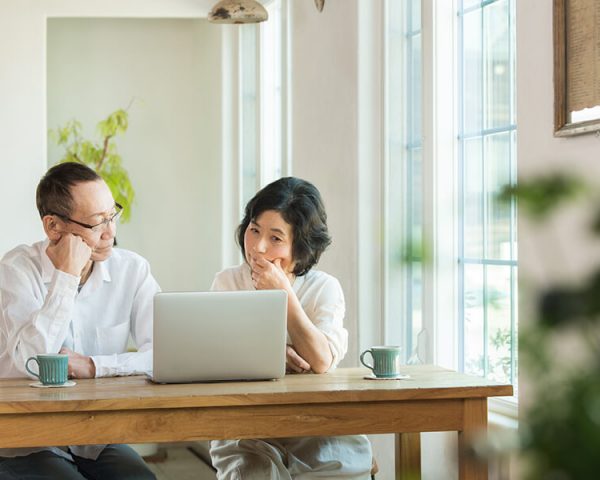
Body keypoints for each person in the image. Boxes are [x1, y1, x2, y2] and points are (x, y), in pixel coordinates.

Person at [0, 162, 159, 479]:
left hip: (92, 436)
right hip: (25, 438)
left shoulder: (133, 270)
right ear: (53, 227)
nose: (110, 232)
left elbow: (166, 352)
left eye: (112, 215)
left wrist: (95, 366)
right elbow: (28, 363)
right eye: (97, 223)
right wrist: (66, 276)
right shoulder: (16, 270)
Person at [209, 177, 372, 480]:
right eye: (254, 230)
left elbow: (321, 361)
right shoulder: (228, 282)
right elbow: (216, 356)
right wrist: (271, 353)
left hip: (316, 424)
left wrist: (285, 294)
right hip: (246, 427)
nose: (258, 247)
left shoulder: (325, 288)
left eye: (275, 238)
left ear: (301, 247)